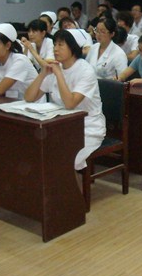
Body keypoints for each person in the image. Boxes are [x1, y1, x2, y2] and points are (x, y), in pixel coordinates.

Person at [25, 30, 105, 171]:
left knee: (64, 158)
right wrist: (43, 73)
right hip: (60, 125)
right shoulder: (57, 67)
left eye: (61, 45)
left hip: (87, 127)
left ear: (73, 47)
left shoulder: (85, 71)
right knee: (36, 151)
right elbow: (29, 97)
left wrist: (58, 74)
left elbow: (70, 103)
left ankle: (68, 185)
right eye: (54, 44)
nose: (55, 49)